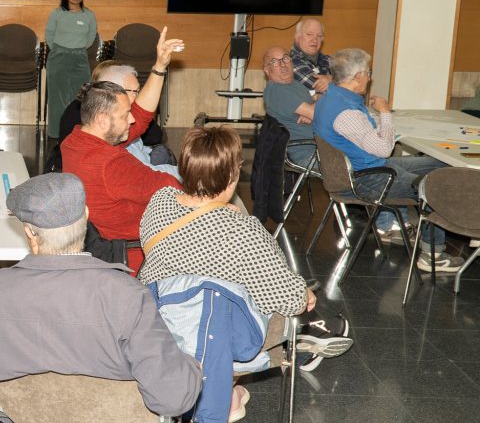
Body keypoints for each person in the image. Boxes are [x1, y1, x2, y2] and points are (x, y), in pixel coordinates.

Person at [0, 173, 201, 418]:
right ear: (87, 215)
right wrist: (192, 366)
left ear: (30, 233)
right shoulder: (127, 296)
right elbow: (172, 398)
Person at [140, 126, 352, 379]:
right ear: (233, 174)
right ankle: (303, 338)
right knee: (289, 298)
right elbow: (288, 301)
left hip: (157, 323)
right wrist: (301, 292)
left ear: (185, 167)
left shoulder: (160, 201)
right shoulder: (242, 231)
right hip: (212, 333)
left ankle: (231, 388)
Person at [312, 48, 462, 272]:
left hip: (368, 168)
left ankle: (439, 227)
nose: (369, 78)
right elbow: (384, 150)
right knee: (435, 186)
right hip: (368, 178)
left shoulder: (331, 98)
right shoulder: (346, 112)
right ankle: (433, 255)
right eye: (368, 73)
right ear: (357, 77)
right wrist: (385, 113)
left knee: (441, 165)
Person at [60, 27, 183, 270]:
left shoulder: (75, 141)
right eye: (125, 115)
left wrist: (159, 67)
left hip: (107, 249)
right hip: (143, 258)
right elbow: (171, 188)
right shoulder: (111, 163)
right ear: (103, 120)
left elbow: (142, 115)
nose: (132, 119)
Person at [45, 0, 97, 139]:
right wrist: (61, 50)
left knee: (80, 98)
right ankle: (56, 133)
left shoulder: (89, 15)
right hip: (58, 58)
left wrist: (76, 49)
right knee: (57, 98)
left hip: (80, 58)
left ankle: (77, 135)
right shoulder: (57, 14)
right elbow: (49, 35)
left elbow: (90, 37)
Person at [262, 46, 316, 168]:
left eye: (285, 58)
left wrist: (314, 106)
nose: (282, 64)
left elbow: (318, 101)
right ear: (267, 70)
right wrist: (314, 110)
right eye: (275, 62)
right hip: (310, 154)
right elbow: (317, 113)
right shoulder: (277, 90)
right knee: (358, 163)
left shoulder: (295, 84)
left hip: (322, 148)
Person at [289, 19, 332, 94]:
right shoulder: (290, 62)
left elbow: (351, 77)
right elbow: (320, 87)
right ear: (297, 36)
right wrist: (334, 79)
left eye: (319, 36)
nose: (314, 40)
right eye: (309, 34)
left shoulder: (326, 59)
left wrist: (331, 79)